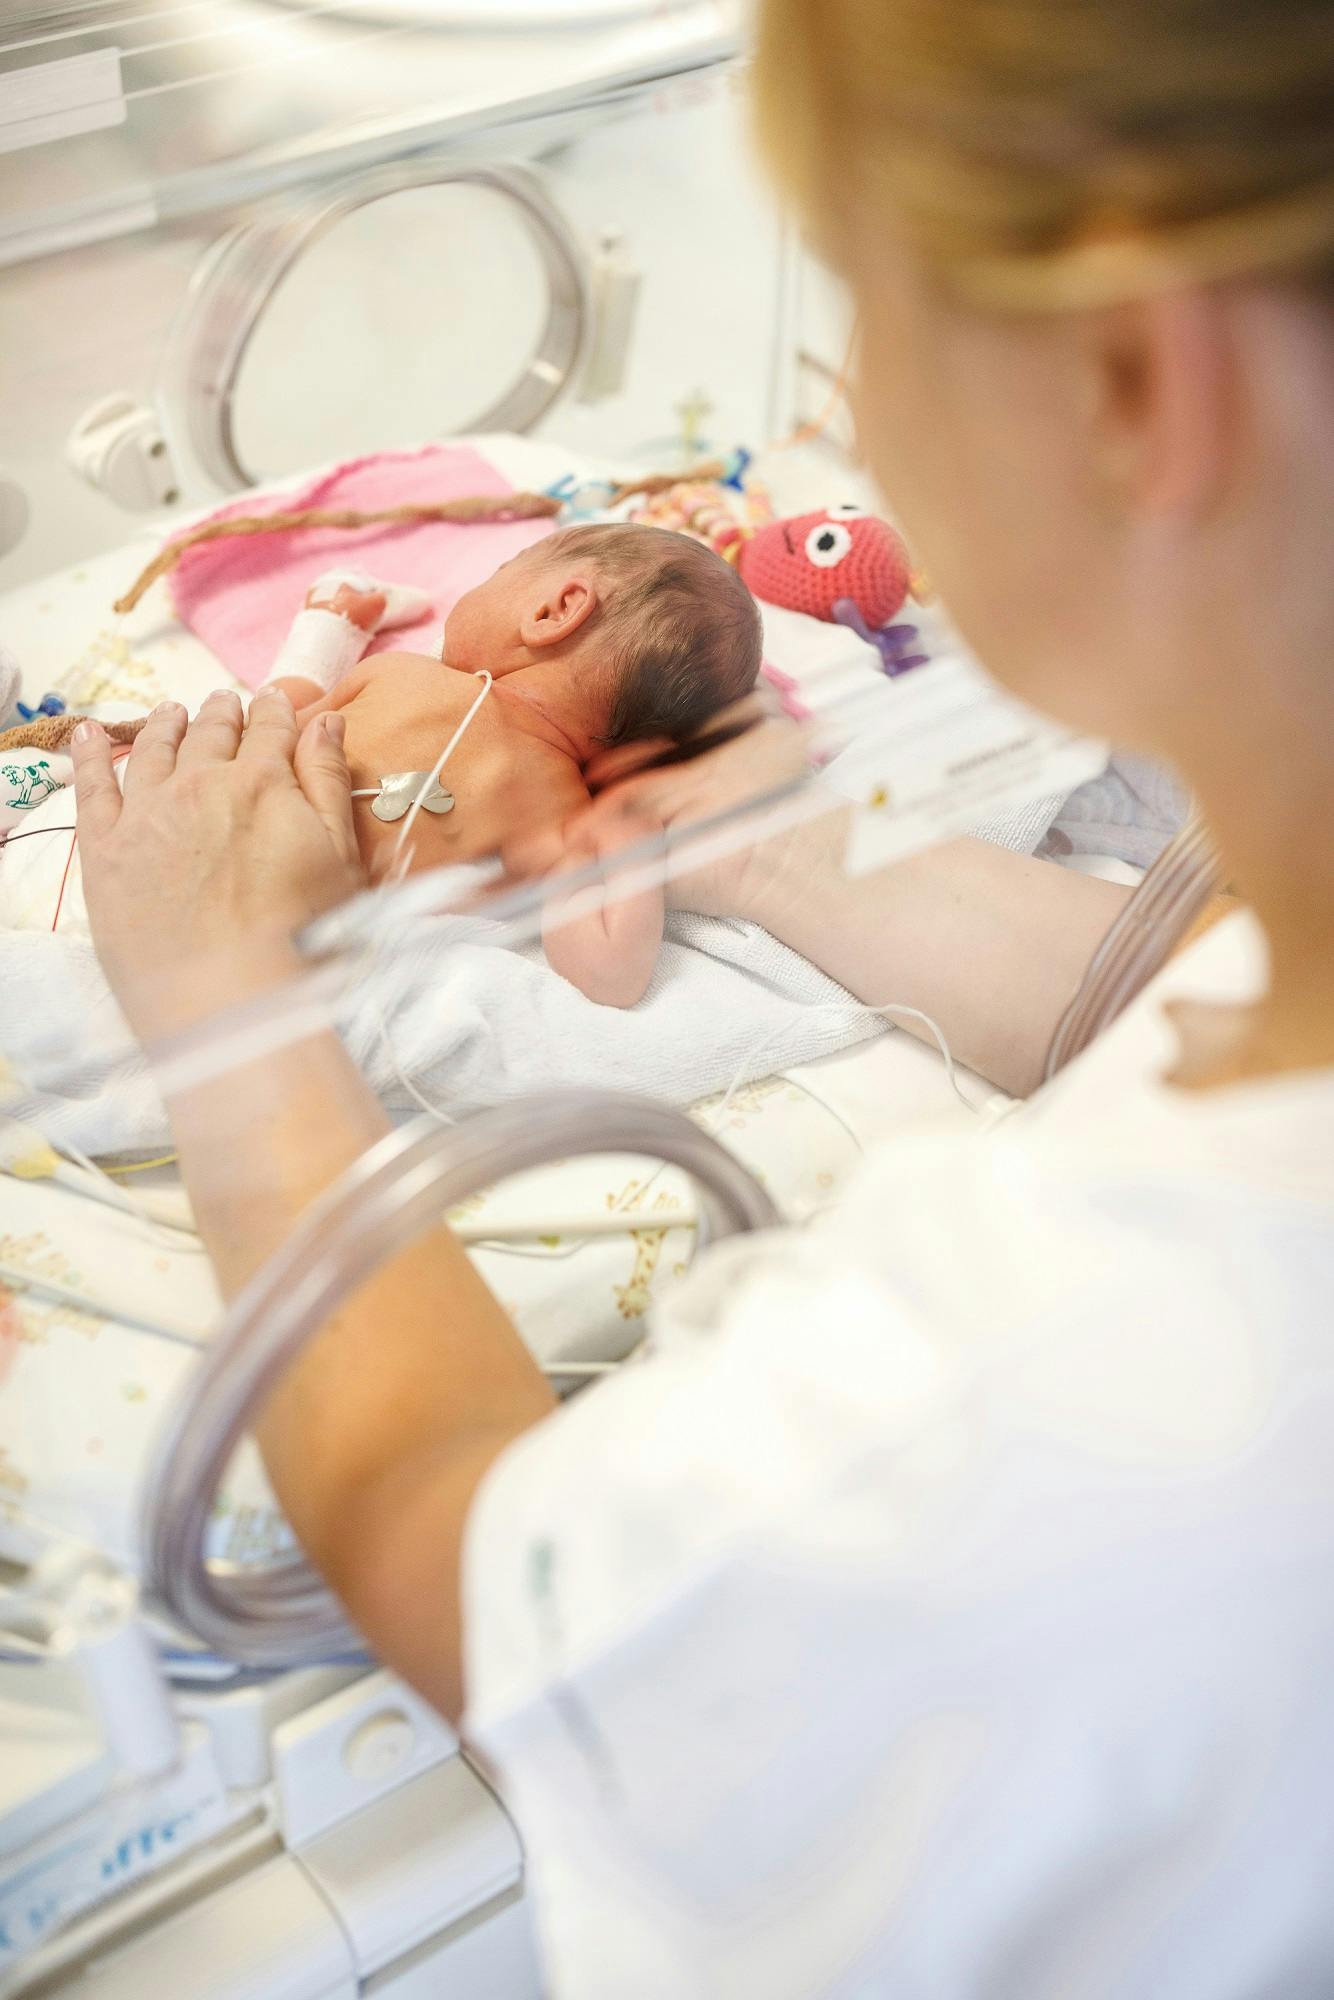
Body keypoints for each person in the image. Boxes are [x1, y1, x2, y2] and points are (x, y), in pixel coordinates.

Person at [67, 0, 1334, 1987]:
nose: (842, 411)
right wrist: (754, 856)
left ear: (1131, 390)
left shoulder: (1091, 1379)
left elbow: (478, 1570)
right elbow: (1174, 977)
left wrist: (223, 1004)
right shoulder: (1257, 946)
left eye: (858, 331)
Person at [1, 524, 762, 1007]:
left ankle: (332, 610)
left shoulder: (404, 677)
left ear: (554, 609)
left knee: (51, 788)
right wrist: (633, 846)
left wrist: (327, 630)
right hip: (184, 941)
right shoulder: (554, 815)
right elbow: (610, 974)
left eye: (507, 564)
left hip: (140, 860)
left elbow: (272, 713)